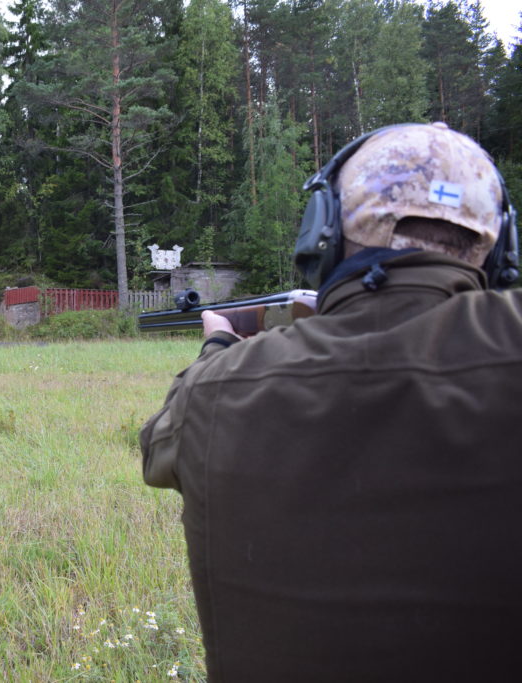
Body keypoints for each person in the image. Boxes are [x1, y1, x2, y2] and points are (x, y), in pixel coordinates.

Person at [140, 122, 522, 682]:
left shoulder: (216, 388)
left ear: (323, 232)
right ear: (500, 247)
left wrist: (219, 346)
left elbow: (157, 449)